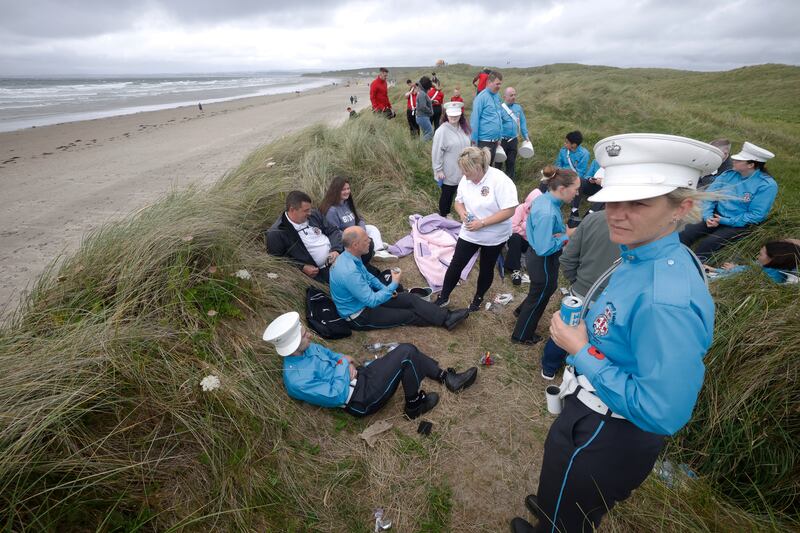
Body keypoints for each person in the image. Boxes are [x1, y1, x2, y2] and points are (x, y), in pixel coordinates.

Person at [510, 133, 721, 533]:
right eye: (612, 200)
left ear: (683, 207)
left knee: (573, 517)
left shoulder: (666, 298)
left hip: (609, 428)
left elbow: (662, 411)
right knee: (560, 487)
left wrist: (581, 349)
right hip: (590, 407)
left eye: (638, 202)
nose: (616, 214)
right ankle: (551, 509)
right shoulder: (640, 253)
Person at [263, 312, 478, 419]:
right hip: (360, 399)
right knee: (405, 352)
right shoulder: (296, 380)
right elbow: (336, 395)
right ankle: (414, 406)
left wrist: (343, 361)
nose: (309, 334)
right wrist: (343, 366)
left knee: (406, 352)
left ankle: (445, 377)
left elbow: (335, 355)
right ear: (292, 346)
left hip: (361, 377)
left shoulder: (306, 347)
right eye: (304, 335)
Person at [330, 227, 470, 330]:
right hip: (359, 315)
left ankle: (446, 317)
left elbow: (369, 277)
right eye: (366, 240)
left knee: (410, 299)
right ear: (355, 245)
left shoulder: (351, 256)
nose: (370, 242)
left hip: (365, 299)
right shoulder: (348, 272)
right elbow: (372, 301)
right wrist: (394, 284)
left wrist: (386, 289)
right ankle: (444, 321)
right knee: (408, 315)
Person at [434, 147, 518, 311]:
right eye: (463, 172)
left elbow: (510, 210)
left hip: (494, 234)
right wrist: (462, 213)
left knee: (487, 266)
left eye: (467, 172)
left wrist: (483, 223)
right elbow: (458, 202)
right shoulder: (466, 179)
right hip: (470, 231)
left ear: (478, 168)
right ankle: (443, 297)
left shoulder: (500, 181)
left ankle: (477, 299)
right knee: (456, 263)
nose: (464, 176)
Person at [539, 209, 619, 379]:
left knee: (566, 328)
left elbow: (567, 258)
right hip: (611, 303)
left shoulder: (593, 219)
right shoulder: (649, 231)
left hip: (580, 295)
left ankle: (549, 367)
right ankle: (580, 374)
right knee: (598, 340)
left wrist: (578, 283)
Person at [511, 169, 579, 345]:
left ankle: (521, 311)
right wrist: (567, 235)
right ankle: (522, 334)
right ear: (562, 188)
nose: (577, 193)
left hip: (536, 255)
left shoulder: (544, 199)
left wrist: (559, 233)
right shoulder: (547, 212)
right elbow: (544, 248)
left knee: (538, 291)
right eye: (575, 189)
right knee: (543, 291)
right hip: (543, 260)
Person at [680, 141, 778, 262]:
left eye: (739, 160)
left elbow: (756, 215)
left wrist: (725, 220)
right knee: (686, 232)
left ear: (751, 165)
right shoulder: (728, 175)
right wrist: (707, 216)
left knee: (709, 243)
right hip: (716, 215)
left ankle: (695, 267)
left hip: (740, 224)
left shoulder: (766, 185)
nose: (733, 161)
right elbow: (710, 196)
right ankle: (672, 257)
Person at [266, 191, 377, 283]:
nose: (310, 213)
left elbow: (332, 230)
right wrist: (302, 267)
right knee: (349, 278)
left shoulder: (313, 215)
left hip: (337, 253)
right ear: (292, 210)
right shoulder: (277, 232)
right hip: (322, 269)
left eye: (309, 209)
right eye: (306, 211)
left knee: (368, 244)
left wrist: (335, 250)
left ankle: (358, 268)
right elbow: (278, 261)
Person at [319, 176, 397, 261]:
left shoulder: (347, 203)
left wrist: (361, 231)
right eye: (343, 190)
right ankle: (377, 245)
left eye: (348, 188)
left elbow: (359, 219)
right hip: (346, 239)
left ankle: (379, 250)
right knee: (367, 240)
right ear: (336, 191)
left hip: (357, 232)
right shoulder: (332, 210)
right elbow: (334, 232)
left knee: (372, 228)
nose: (347, 192)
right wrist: (356, 236)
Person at [505, 167, 553, 285]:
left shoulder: (542, 213)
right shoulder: (521, 208)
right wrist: (527, 227)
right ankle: (515, 270)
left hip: (532, 243)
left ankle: (537, 269)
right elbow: (512, 228)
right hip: (521, 240)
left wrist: (523, 226)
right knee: (514, 237)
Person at [432, 101, 471, 216]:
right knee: (447, 194)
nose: (454, 117)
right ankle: (444, 215)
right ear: (446, 115)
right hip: (449, 171)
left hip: (465, 170)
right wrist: (438, 170)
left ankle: (465, 214)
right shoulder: (442, 131)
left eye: (456, 114)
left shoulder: (464, 128)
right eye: (451, 115)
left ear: (461, 114)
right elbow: (436, 152)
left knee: (464, 194)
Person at [704, 239, 800, 284]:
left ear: (774, 258)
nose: (757, 257)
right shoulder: (778, 267)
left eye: (761, 254)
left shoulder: (767, 279)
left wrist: (714, 271)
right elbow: (748, 270)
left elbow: (742, 274)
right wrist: (714, 269)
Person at [554, 130, 591, 225]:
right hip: (562, 174)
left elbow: (581, 172)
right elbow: (558, 164)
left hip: (574, 177)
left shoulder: (584, 154)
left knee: (577, 182)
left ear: (574, 145)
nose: (564, 144)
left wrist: (568, 178)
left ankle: (573, 209)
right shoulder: (563, 150)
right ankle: (545, 199)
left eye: (567, 142)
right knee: (546, 179)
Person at [469, 70, 504, 164]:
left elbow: (499, 116)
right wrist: (474, 143)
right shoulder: (480, 98)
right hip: (483, 143)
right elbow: (474, 120)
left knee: (489, 169)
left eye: (500, 84)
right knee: (481, 170)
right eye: (497, 84)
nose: (499, 86)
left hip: (495, 141)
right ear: (489, 82)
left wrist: (499, 137)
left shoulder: (497, 96)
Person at [497, 86, 531, 179]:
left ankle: (510, 183)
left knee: (511, 163)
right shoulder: (499, 108)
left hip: (513, 140)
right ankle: (496, 183)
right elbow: (497, 125)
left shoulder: (518, 107)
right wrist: (497, 139)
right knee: (498, 164)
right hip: (501, 141)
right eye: (511, 95)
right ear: (505, 97)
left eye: (515, 95)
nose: (514, 97)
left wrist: (525, 135)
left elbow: (523, 122)